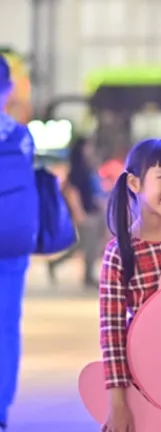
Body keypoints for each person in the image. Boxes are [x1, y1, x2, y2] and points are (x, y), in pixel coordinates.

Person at [100, 138, 161, 432]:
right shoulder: (120, 253)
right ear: (135, 184)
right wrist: (118, 405)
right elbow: (111, 334)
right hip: (145, 378)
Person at [0, 54, 37, 432]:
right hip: (13, 241)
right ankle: (1, 406)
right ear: (8, 90)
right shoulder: (22, 136)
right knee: (6, 325)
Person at [48, 136, 106, 288]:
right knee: (89, 245)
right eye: (87, 147)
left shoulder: (87, 168)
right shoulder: (77, 170)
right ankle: (87, 276)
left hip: (93, 210)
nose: (90, 150)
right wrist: (79, 213)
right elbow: (71, 192)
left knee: (83, 244)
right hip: (86, 213)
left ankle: (55, 264)